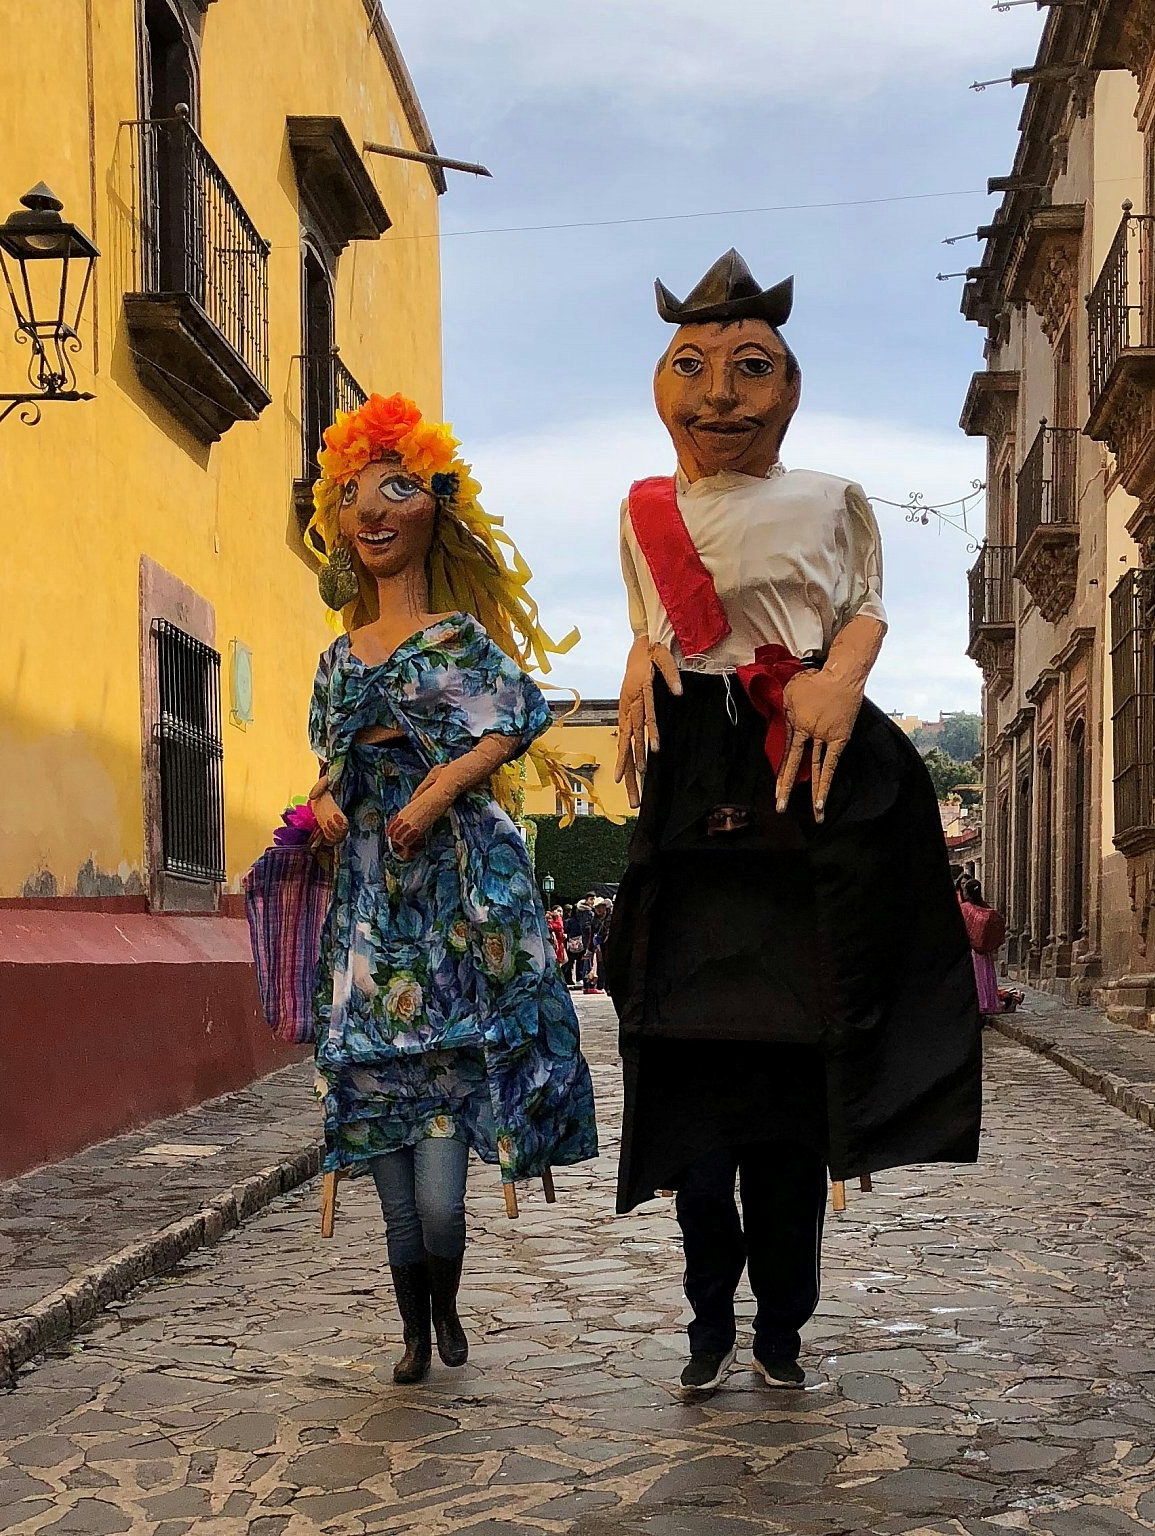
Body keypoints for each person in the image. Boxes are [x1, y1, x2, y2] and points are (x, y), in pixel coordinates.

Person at [605, 250, 982, 1396]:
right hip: (692, 797)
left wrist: (843, 678)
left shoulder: (832, 498)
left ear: (787, 383)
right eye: (693, 368)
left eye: (746, 367)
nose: (718, 394)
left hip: (799, 776)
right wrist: (635, 662)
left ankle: (782, 1325)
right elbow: (659, 626)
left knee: (783, 1145)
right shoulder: (641, 509)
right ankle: (706, 1317)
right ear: (664, 382)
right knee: (697, 1140)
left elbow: (864, 606)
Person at [301, 392, 600, 1385]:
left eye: (392, 488)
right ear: (336, 520)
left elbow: (512, 719)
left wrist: (434, 791)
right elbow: (325, 769)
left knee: (438, 1203)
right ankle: (415, 1334)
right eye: (351, 494)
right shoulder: (337, 660)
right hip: (369, 920)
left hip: (452, 923)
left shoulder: (461, 641)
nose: (370, 511)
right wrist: (325, 803)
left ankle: (447, 1306)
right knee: (393, 1200)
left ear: (435, 502)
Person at [957, 878, 1006, 1023]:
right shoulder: (986, 910)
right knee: (984, 976)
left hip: (971, 950)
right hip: (983, 951)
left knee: (975, 977)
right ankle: (987, 1002)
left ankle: (977, 1003)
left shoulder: (964, 909)